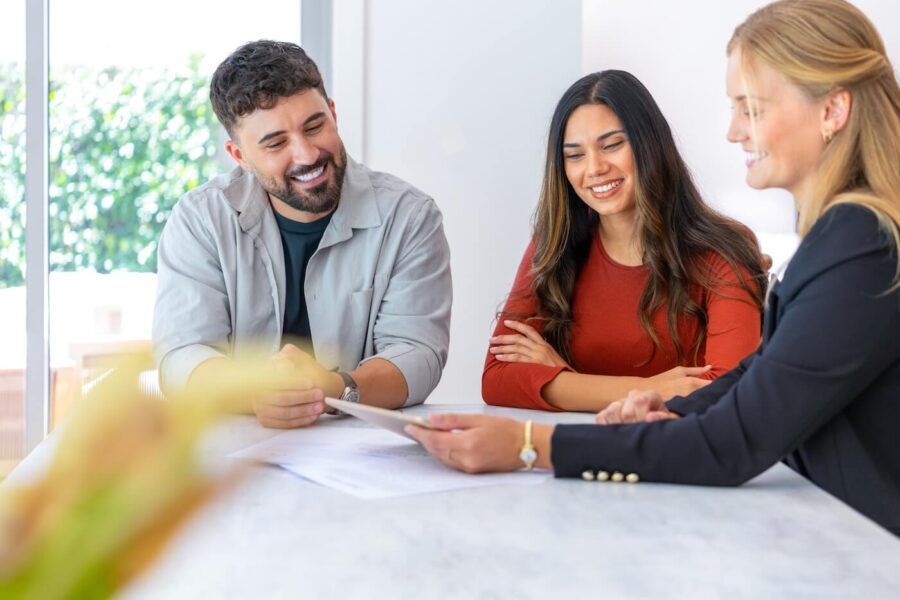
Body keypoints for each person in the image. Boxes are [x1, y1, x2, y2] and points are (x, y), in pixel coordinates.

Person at [408, 0, 900, 535]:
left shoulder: (862, 243)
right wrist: (660, 404)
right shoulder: (845, 235)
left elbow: (736, 439)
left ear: (832, 111)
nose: (735, 131)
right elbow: (754, 380)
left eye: (752, 108)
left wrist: (532, 444)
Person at [153, 41, 452, 428]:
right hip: (234, 454)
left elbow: (418, 353)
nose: (308, 154)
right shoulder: (201, 219)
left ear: (333, 113)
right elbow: (181, 354)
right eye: (276, 143)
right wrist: (254, 391)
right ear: (239, 155)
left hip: (359, 450)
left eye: (315, 126)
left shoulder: (410, 216)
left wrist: (334, 388)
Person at [482, 70, 766, 412]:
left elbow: (726, 394)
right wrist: (650, 389)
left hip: (674, 454)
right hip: (575, 452)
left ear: (649, 144)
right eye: (575, 155)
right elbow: (497, 378)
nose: (595, 168)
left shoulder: (724, 250)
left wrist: (561, 377)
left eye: (612, 145)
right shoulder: (554, 244)